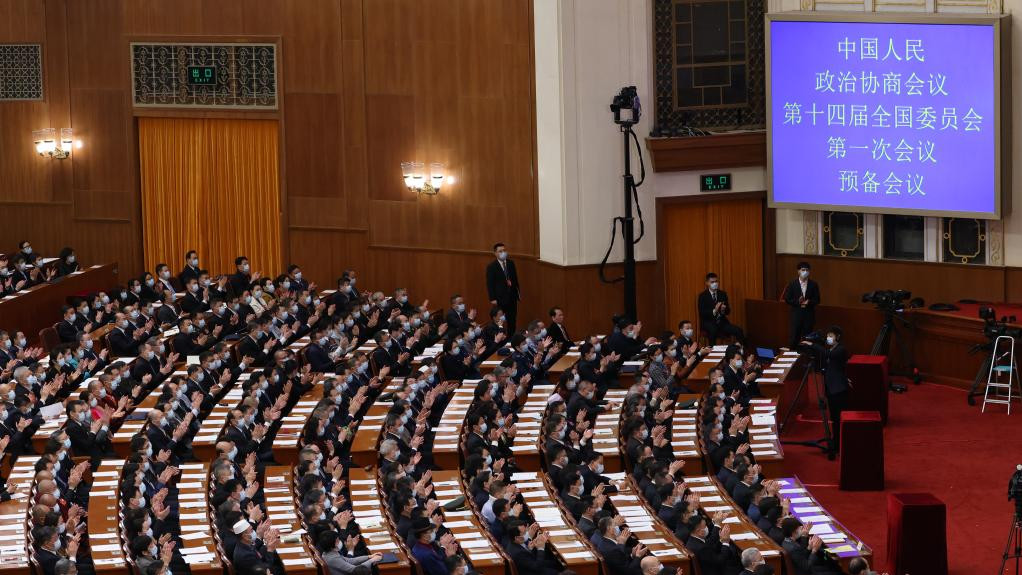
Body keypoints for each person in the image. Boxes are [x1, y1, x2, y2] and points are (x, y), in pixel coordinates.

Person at [803, 325, 850, 459]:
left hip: (838, 390)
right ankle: (835, 443)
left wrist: (812, 345)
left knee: (838, 419)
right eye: (827, 335)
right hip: (831, 389)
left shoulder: (840, 349)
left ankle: (839, 445)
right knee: (834, 419)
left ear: (837, 337)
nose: (828, 338)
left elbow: (829, 355)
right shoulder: (831, 348)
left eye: (831, 336)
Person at [697, 272, 743, 345]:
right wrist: (714, 310)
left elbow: (728, 311)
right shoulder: (702, 296)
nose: (715, 283)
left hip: (721, 322)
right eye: (712, 282)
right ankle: (712, 351)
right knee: (713, 330)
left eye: (716, 281)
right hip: (708, 322)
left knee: (738, 330)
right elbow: (702, 313)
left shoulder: (722, 294)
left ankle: (740, 349)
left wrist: (723, 310)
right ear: (707, 283)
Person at [782, 261, 820, 347]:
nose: (805, 272)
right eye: (803, 270)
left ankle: (806, 354)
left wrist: (809, 302)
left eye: (807, 270)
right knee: (794, 337)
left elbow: (817, 300)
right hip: (796, 314)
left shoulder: (813, 284)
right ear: (798, 271)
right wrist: (797, 301)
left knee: (808, 338)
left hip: (808, 315)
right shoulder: (792, 284)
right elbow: (787, 299)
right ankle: (793, 353)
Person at [485, 243, 521, 333]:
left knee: (512, 320)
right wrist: (492, 298)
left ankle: (511, 337)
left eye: (504, 250)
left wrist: (517, 293)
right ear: (495, 253)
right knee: (500, 320)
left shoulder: (511, 263)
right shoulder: (491, 266)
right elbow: (490, 284)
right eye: (500, 251)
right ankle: (499, 336)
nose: (503, 253)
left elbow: (515, 279)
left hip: (512, 297)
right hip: (500, 298)